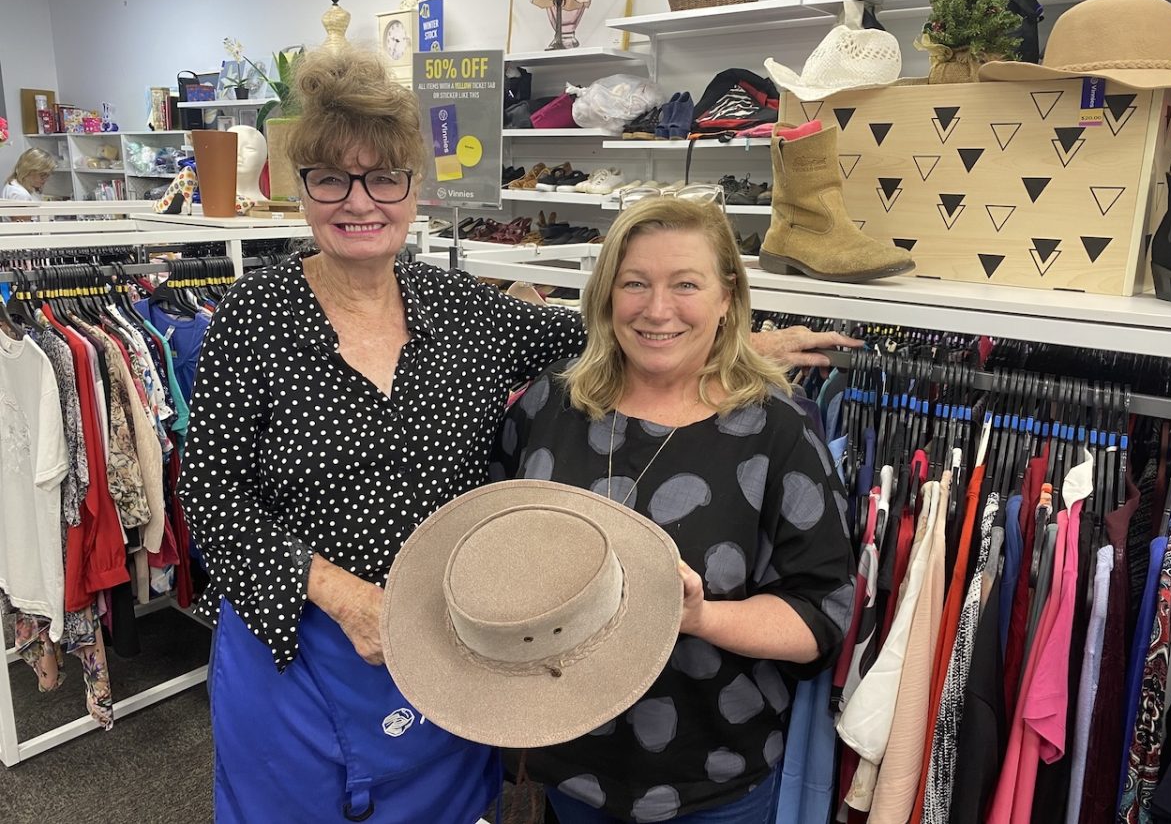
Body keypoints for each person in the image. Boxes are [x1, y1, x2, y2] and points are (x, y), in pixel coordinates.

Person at [179, 43, 856, 823]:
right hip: (305, 646)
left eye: (384, 177)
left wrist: (736, 345)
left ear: (413, 188)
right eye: (331, 176)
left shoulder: (460, 308)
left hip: (451, 643)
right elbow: (209, 493)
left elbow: (605, 329)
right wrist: (345, 598)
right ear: (300, 190)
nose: (358, 201)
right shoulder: (255, 320)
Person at [494, 196, 858, 823]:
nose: (657, 310)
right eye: (635, 283)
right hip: (568, 763)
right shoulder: (551, 405)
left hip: (714, 778)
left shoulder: (779, 430)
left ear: (727, 299)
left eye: (685, 284)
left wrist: (699, 618)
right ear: (608, 295)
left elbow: (819, 615)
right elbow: (498, 542)